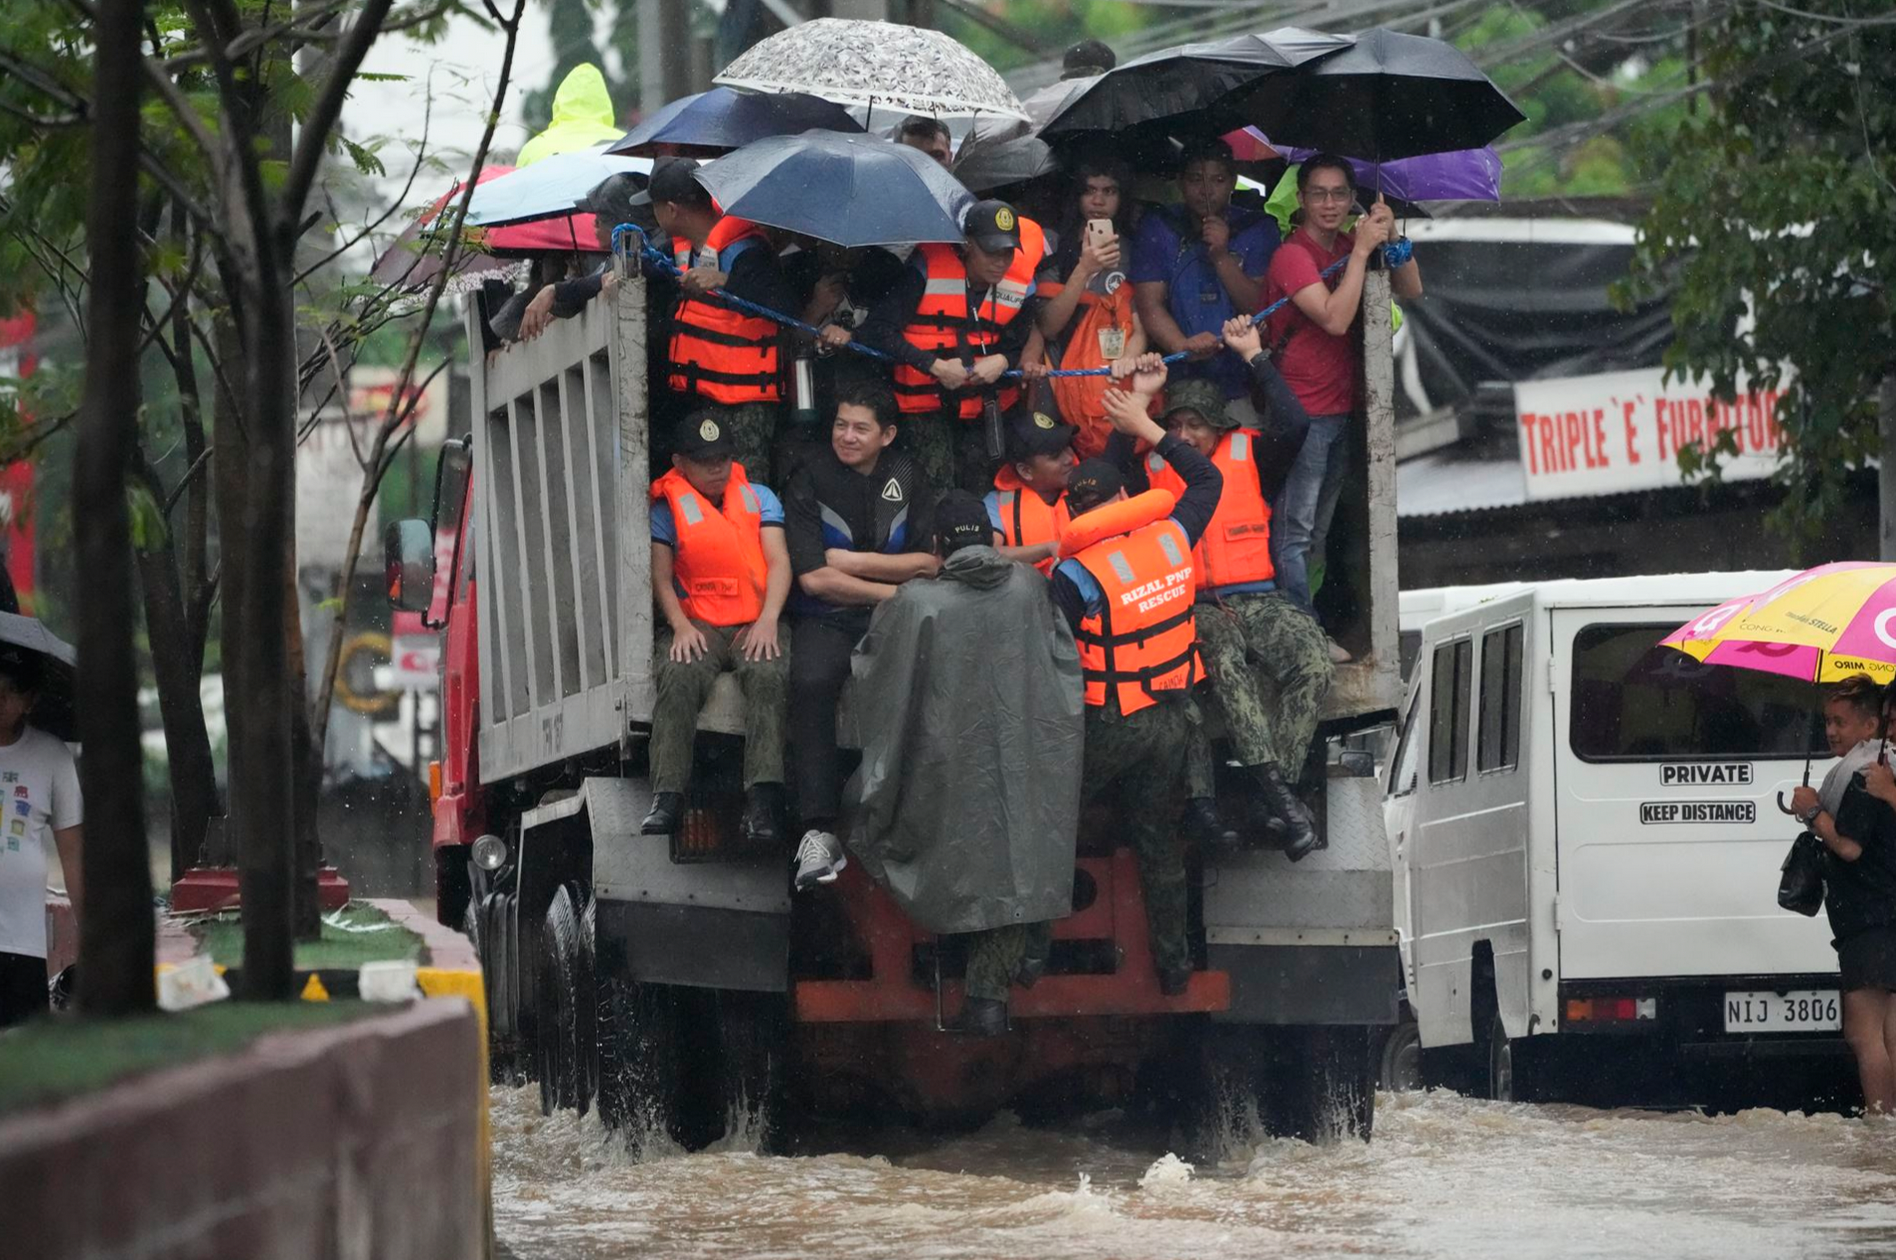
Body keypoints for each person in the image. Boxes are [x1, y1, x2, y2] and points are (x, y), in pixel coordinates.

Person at [843, 491, 1084, 1036]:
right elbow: (1064, 662)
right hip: (1023, 757)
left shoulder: (916, 602)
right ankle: (1001, 985)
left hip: (944, 765)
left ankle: (982, 985)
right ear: (993, 540)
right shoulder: (1031, 588)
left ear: (935, 547)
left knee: (950, 848)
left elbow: (874, 675)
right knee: (1022, 855)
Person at [1040, 360, 1222, 995]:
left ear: (1073, 511)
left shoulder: (1073, 575)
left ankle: (1030, 957)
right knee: (1157, 841)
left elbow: (1050, 659)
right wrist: (1148, 423)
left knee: (1052, 829)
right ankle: (1173, 966)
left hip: (1111, 723)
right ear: (1124, 499)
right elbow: (1205, 476)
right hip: (1172, 719)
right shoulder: (1173, 536)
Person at [1129, 352, 1332, 860]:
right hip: (1191, 606)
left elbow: (1297, 421)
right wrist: (1140, 394)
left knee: (1311, 657)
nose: (1183, 434)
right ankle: (1283, 801)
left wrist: (1256, 358)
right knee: (1224, 665)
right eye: (1174, 424)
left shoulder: (1253, 454)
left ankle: (1277, 788)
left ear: (1218, 427)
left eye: (1194, 425)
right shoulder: (1151, 465)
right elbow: (1106, 464)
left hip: (1258, 598)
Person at [784, 376, 939, 889]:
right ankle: (818, 832)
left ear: (887, 435)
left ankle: (916, 816)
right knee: (809, 682)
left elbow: (931, 563)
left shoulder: (909, 475)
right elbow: (814, 579)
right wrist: (894, 588)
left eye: (860, 429)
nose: (846, 436)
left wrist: (854, 562)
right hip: (826, 617)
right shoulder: (808, 475)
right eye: (840, 425)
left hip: (891, 620)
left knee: (929, 689)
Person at [1261, 154, 1422, 620]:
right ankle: (1299, 627)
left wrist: (1391, 235)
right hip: (1301, 413)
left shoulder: (1352, 242)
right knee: (1294, 529)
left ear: (1352, 199)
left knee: (1317, 531)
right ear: (1302, 200)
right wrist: (1359, 252)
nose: (1329, 204)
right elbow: (1334, 319)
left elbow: (1411, 288)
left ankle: (1305, 619)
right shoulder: (1292, 255)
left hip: (1340, 409)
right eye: (1318, 194)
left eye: (1338, 194)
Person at [639, 412, 792, 844]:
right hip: (699, 623)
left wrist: (769, 620)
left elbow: (779, 561)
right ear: (679, 462)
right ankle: (667, 796)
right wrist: (681, 627)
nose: (716, 468)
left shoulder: (760, 497)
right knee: (679, 674)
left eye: (723, 458)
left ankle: (762, 799)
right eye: (705, 460)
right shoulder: (667, 509)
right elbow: (661, 576)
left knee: (767, 674)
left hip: (755, 622)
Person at [858, 200, 1048, 497]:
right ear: (969, 244)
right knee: (937, 493)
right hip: (926, 406)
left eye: (1008, 252)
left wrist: (1002, 360)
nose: (1001, 261)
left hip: (985, 408)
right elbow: (876, 330)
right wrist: (935, 365)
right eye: (991, 251)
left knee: (982, 491)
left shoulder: (1021, 285)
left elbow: (1018, 343)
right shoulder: (925, 270)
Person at [645, 156, 798, 477]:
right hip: (702, 395)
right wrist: (560, 293)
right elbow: (645, 266)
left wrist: (725, 281)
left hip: (745, 403)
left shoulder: (748, 249)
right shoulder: (679, 247)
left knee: (746, 483)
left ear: (672, 209)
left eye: (655, 206)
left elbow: (783, 306)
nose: (653, 215)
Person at [1791, 675, 1896, 1114]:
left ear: (1870, 725)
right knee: (1889, 1031)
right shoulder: (1880, 769)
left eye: (1841, 722)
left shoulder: (1864, 774)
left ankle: (1881, 1123)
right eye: (1827, 722)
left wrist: (1813, 810)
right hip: (1880, 917)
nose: (1831, 731)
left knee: (1864, 1033)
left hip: (1869, 921)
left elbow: (1849, 846)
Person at [1130, 138, 1279, 425]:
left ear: (1234, 182)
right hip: (1178, 385)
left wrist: (1222, 257)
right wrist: (1181, 345)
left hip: (1243, 383)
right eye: (1196, 179)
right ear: (1180, 182)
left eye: (1218, 180)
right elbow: (1149, 304)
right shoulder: (1159, 225)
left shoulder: (1258, 228)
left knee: (1241, 464)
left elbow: (1260, 304)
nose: (1206, 190)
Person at [1035, 156, 1149, 459]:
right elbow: (1047, 326)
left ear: (1122, 198)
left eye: (1109, 191)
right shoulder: (1053, 244)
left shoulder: (1136, 249)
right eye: (1090, 191)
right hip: (1057, 380)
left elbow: (1141, 326)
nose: (1098, 201)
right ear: (1077, 196)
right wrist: (1084, 269)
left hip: (1114, 381)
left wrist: (1127, 360)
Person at [0, 651, 82, 1029]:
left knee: (21, 1054)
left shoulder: (51, 757)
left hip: (23, 945)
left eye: (11, 689)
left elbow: (74, 858)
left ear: (31, 699)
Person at [511, 172, 649, 342]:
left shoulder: (648, 254)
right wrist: (554, 293)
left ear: (620, 216)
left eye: (602, 214)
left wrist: (555, 291)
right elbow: (575, 298)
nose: (595, 222)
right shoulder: (615, 258)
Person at [984, 408, 1075, 574]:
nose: (1069, 459)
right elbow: (989, 554)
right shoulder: (996, 503)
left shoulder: (1090, 486)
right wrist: (1047, 549)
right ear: (1025, 471)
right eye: (1055, 455)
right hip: (1033, 593)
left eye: (1067, 447)